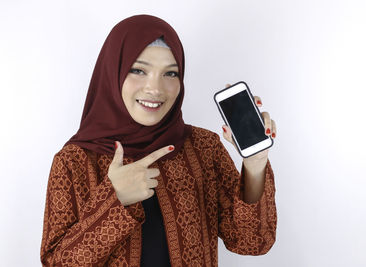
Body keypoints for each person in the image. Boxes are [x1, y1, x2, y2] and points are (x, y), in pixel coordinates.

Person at [40, 14, 277, 267]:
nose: (155, 88)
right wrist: (114, 199)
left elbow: (253, 242)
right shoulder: (73, 162)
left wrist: (254, 164)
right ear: (113, 72)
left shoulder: (203, 147)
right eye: (139, 70)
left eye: (170, 73)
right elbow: (56, 263)